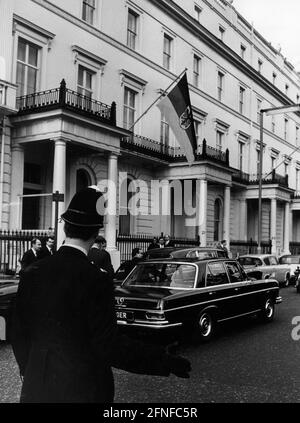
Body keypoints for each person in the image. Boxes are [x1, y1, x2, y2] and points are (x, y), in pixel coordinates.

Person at [11, 187, 191, 403]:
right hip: (83, 389)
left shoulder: (32, 272)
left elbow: (17, 330)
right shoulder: (96, 279)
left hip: (37, 388)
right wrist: (163, 360)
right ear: (96, 232)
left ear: (66, 227)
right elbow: (109, 345)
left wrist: (28, 369)